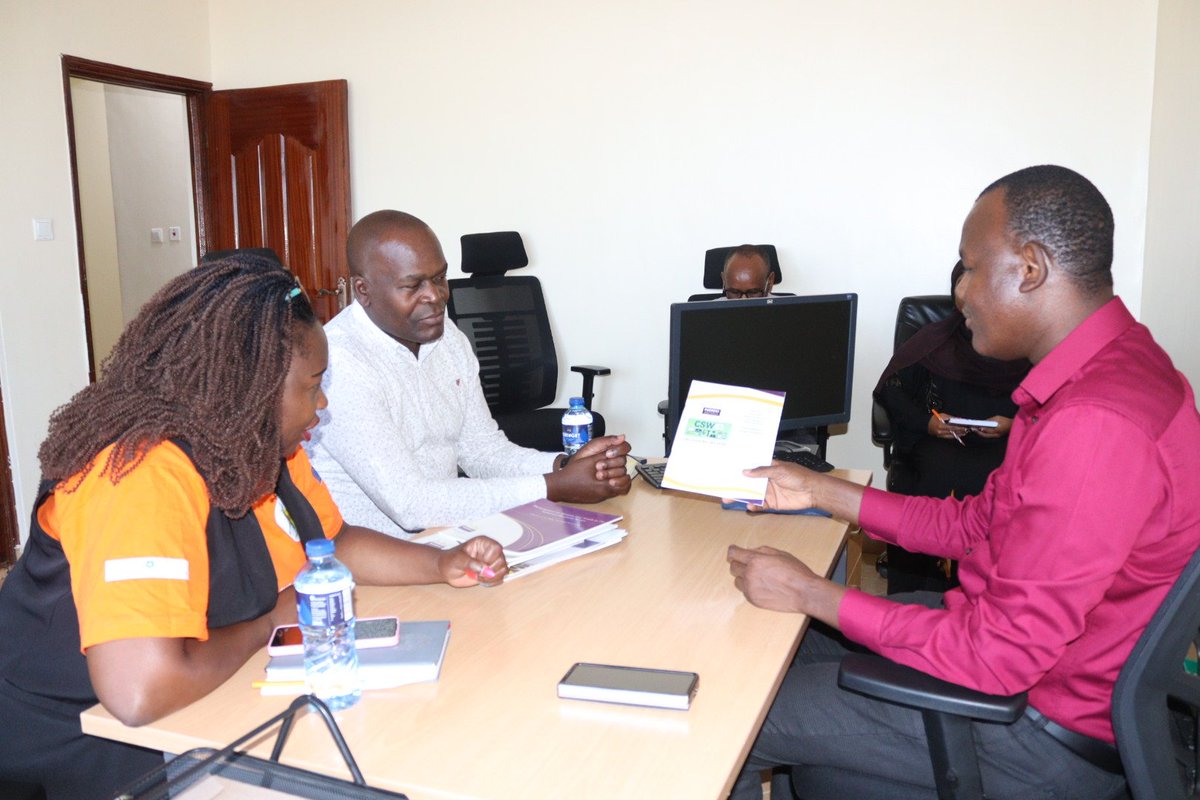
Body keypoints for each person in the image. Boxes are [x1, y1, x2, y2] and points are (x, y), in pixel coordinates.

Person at [726, 165, 1200, 799]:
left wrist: (814, 592)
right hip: (1013, 662)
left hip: (1031, 727)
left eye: (970, 267)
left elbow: (998, 657)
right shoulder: (1102, 373)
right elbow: (975, 526)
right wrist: (819, 490)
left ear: (1029, 268)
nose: (961, 293)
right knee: (769, 650)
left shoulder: (1097, 422)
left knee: (733, 711)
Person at [0, 254, 509, 800]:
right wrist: (269, 620)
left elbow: (329, 543)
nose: (323, 402)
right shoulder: (139, 475)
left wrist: (439, 561)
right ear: (252, 384)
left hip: (208, 700)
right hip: (98, 745)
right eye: (313, 385)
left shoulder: (256, 443)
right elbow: (139, 691)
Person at [307, 210, 632, 537]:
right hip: (369, 567)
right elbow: (411, 505)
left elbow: (483, 452)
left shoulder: (447, 339)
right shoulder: (339, 363)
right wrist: (553, 487)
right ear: (363, 291)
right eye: (412, 285)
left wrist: (564, 467)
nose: (435, 297)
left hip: (446, 539)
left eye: (438, 278)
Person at [873, 261, 1030, 593]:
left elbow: (1055, 407)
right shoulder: (936, 338)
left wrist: (1014, 425)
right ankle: (917, 592)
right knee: (933, 475)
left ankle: (986, 591)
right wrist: (928, 423)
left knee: (1002, 483)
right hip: (941, 442)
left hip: (1003, 443)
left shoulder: (1025, 342)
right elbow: (892, 388)